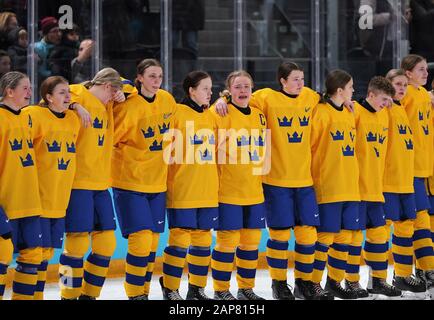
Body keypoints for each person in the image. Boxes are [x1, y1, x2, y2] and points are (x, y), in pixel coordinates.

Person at [215, 62, 331, 300]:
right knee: (278, 236)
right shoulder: (265, 98)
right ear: (283, 81)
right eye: (296, 79)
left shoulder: (309, 96)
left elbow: (329, 98)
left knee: (308, 235)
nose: (301, 83)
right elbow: (240, 99)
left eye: (302, 78)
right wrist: (222, 99)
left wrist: (350, 102)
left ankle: (304, 283)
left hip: (304, 179)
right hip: (275, 179)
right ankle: (279, 284)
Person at [112, 59, 177, 300]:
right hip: (129, 181)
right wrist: (124, 87)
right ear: (139, 77)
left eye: (159, 76)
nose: (156, 80)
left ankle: (144, 292)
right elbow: (111, 138)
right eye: (151, 76)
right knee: (140, 240)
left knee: (152, 243)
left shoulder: (167, 99)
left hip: (157, 182)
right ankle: (135, 294)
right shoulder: (126, 104)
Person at [58, 68, 124, 300]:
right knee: (76, 245)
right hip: (78, 183)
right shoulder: (78, 93)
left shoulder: (106, 104)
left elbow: (137, 88)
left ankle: (89, 296)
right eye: (115, 90)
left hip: (100, 183)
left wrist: (121, 95)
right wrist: (75, 106)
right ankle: (68, 295)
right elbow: (51, 99)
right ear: (107, 86)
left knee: (106, 243)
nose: (116, 96)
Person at [160, 70, 218, 300]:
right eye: (205, 88)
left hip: (207, 189)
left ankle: (196, 288)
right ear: (191, 90)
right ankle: (171, 287)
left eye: (211, 88)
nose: (209, 93)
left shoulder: (211, 115)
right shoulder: (177, 113)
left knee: (203, 240)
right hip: (182, 189)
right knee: (180, 240)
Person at [209, 70, 267, 300]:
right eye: (238, 87)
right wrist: (220, 101)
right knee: (227, 243)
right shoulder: (220, 112)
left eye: (246, 87)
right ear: (229, 90)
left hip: (254, 191)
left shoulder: (260, 114)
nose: (243, 91)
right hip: (228, 191)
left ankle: (246, 289)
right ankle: (221, 291)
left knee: (251, 243)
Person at [21, 76, 80, 300]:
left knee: (48, 253)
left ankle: (47, 294)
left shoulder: (73, 119)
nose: (68, 97)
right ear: (48, 97)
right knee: (36, 254)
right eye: (62, 93)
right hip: (38, 197)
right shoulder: (33, 115)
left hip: (60, 198)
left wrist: (76, 104)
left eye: (69, 92)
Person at [343, 76, 401, 299]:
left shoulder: (385, 114)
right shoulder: (354, 110)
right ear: (371, 94)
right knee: (354, 238)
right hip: (356, 188)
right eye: (384, 99)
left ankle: (378, 280)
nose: (387, 104)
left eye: (389, 100)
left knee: (379, 235)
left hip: (376, 187)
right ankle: (351, 282)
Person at [310, 69, 360, 300]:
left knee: (346, 237)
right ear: (339, 90)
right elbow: (309, 148)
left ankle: (334, 281)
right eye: (350, 87)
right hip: (328, 184)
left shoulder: (349, 112)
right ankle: (313, 283)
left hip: (350, 185)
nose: (353, 91)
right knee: (325, 238)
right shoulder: (320, 112)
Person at [383, 68, 427, 298]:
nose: (401, 88)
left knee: (405, 228)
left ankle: (401, 276)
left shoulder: (400, 110)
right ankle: (376, 280)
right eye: (397, 84)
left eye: (403, 85)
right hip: (387, 182)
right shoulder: (385, 110)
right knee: (380, 233)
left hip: (405, 181)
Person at [0, 71, 42, 300]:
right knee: (2, 254)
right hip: (6, 203)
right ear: (9, 91)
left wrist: (76, 106)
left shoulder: (27, 117)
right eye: (24, 88)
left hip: (29, 202)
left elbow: (58, 99)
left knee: (33, 256)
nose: (29, 92)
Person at [400, 54, 434, 299]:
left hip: (425, 169)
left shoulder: (423, 94)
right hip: (409, 169)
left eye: (426, 69)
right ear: (408, 73)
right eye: (420, 70)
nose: (425, 73)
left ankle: (423, 270)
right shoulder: (408, 94)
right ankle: (417, 271)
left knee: (425, 224)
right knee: (413, 223)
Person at [35, 17, 61, 82]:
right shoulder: (37, 48)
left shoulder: (60, 47)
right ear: (45, 34)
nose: (58, 34)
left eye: (59, 31)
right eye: (54, 31)